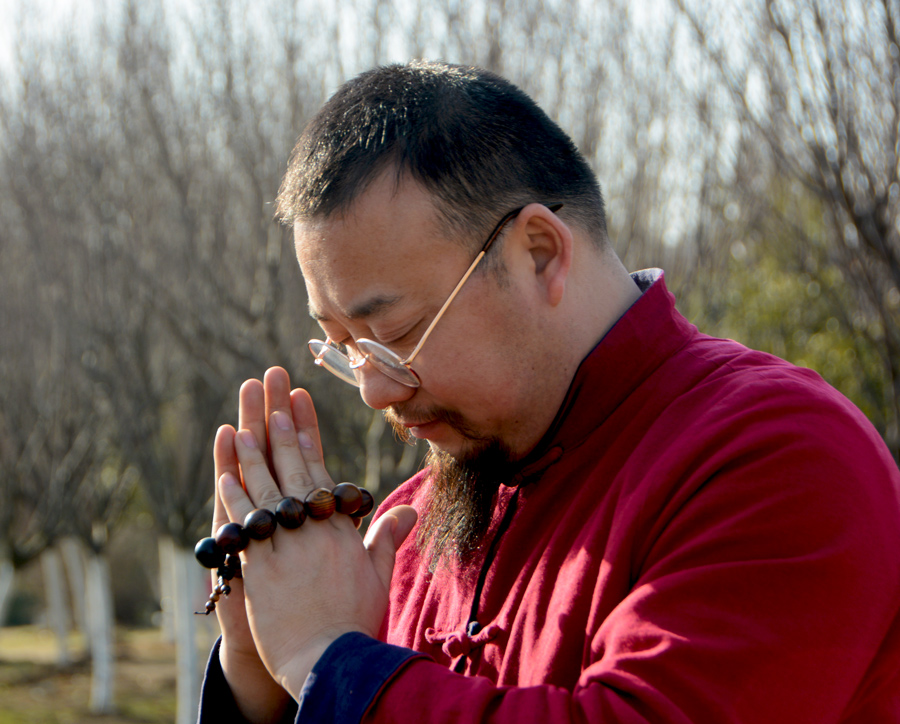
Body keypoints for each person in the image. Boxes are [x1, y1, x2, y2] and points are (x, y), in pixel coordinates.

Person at [198, 61, 900, 724]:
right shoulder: (411, 533)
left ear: (539, 253)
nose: (374, 391)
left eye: (396, 333)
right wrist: (263, 681)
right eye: (345, 348)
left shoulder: (783, 457)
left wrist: (329, 662)